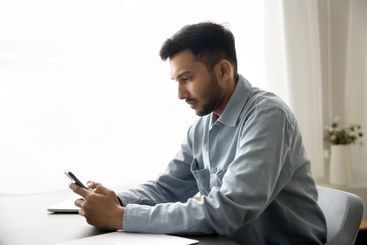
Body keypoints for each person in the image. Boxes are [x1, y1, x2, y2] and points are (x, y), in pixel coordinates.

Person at [70, 22, 327, 244]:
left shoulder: (268, 116)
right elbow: (166, 187)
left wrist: (120, 216)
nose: (180, 94)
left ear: (223, 70)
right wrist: (116, 199)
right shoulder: (203, 125)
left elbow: (228, 209)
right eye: (177, 81)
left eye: (187, 78)